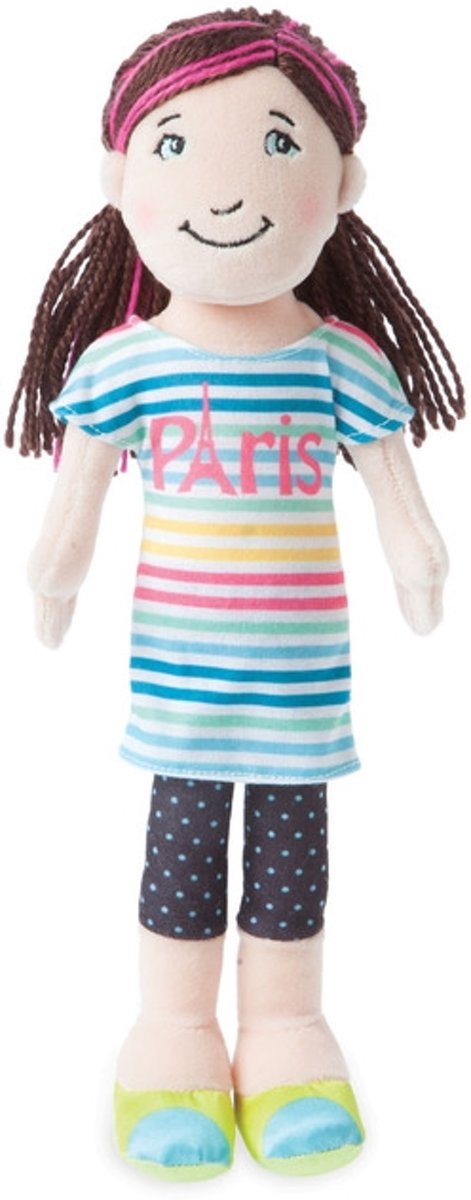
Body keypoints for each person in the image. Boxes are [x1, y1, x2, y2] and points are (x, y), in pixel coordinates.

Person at [5, 8, 464, 1182]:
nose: (225, 187)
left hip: (303, 683)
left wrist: (419, 557)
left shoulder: (340, 357)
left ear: (340, 182)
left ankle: (288, 1034)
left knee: (296, 855)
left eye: (278, 143)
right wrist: (55, 570)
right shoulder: (128, 360)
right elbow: (78, 495)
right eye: (174, 145)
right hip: (182, 683)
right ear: (123, 177)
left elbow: (394, 487)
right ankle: (171, 1038)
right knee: (184, 845)